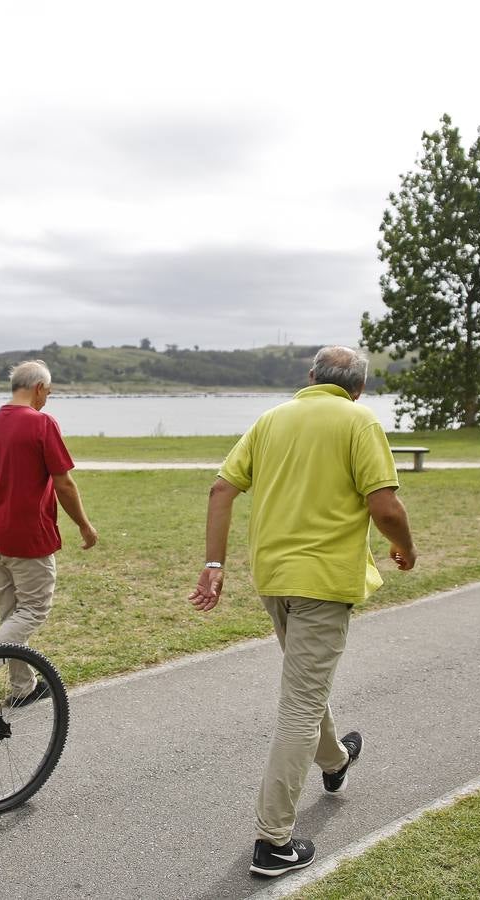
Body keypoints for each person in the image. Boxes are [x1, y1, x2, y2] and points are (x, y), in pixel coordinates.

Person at [187, 345, 418, 878]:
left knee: (304, 688)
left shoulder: (271, 419)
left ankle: (335, 761)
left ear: (310, 376)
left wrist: (214, 563)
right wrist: (406, 547)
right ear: (358, 388)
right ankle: (273, 843)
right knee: (300, 705)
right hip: (323, 582)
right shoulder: (360, 420)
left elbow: (222, 489)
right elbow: (385, 506)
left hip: (274, 579)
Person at [0, 360, 97, 701]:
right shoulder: (41, 423)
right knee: (32, 612)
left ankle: (22, 688)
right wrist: (84, 525)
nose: (47, 400)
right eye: (49, 393)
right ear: (39, 388)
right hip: (29, 535)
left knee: (11, 614)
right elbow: (64, 483)